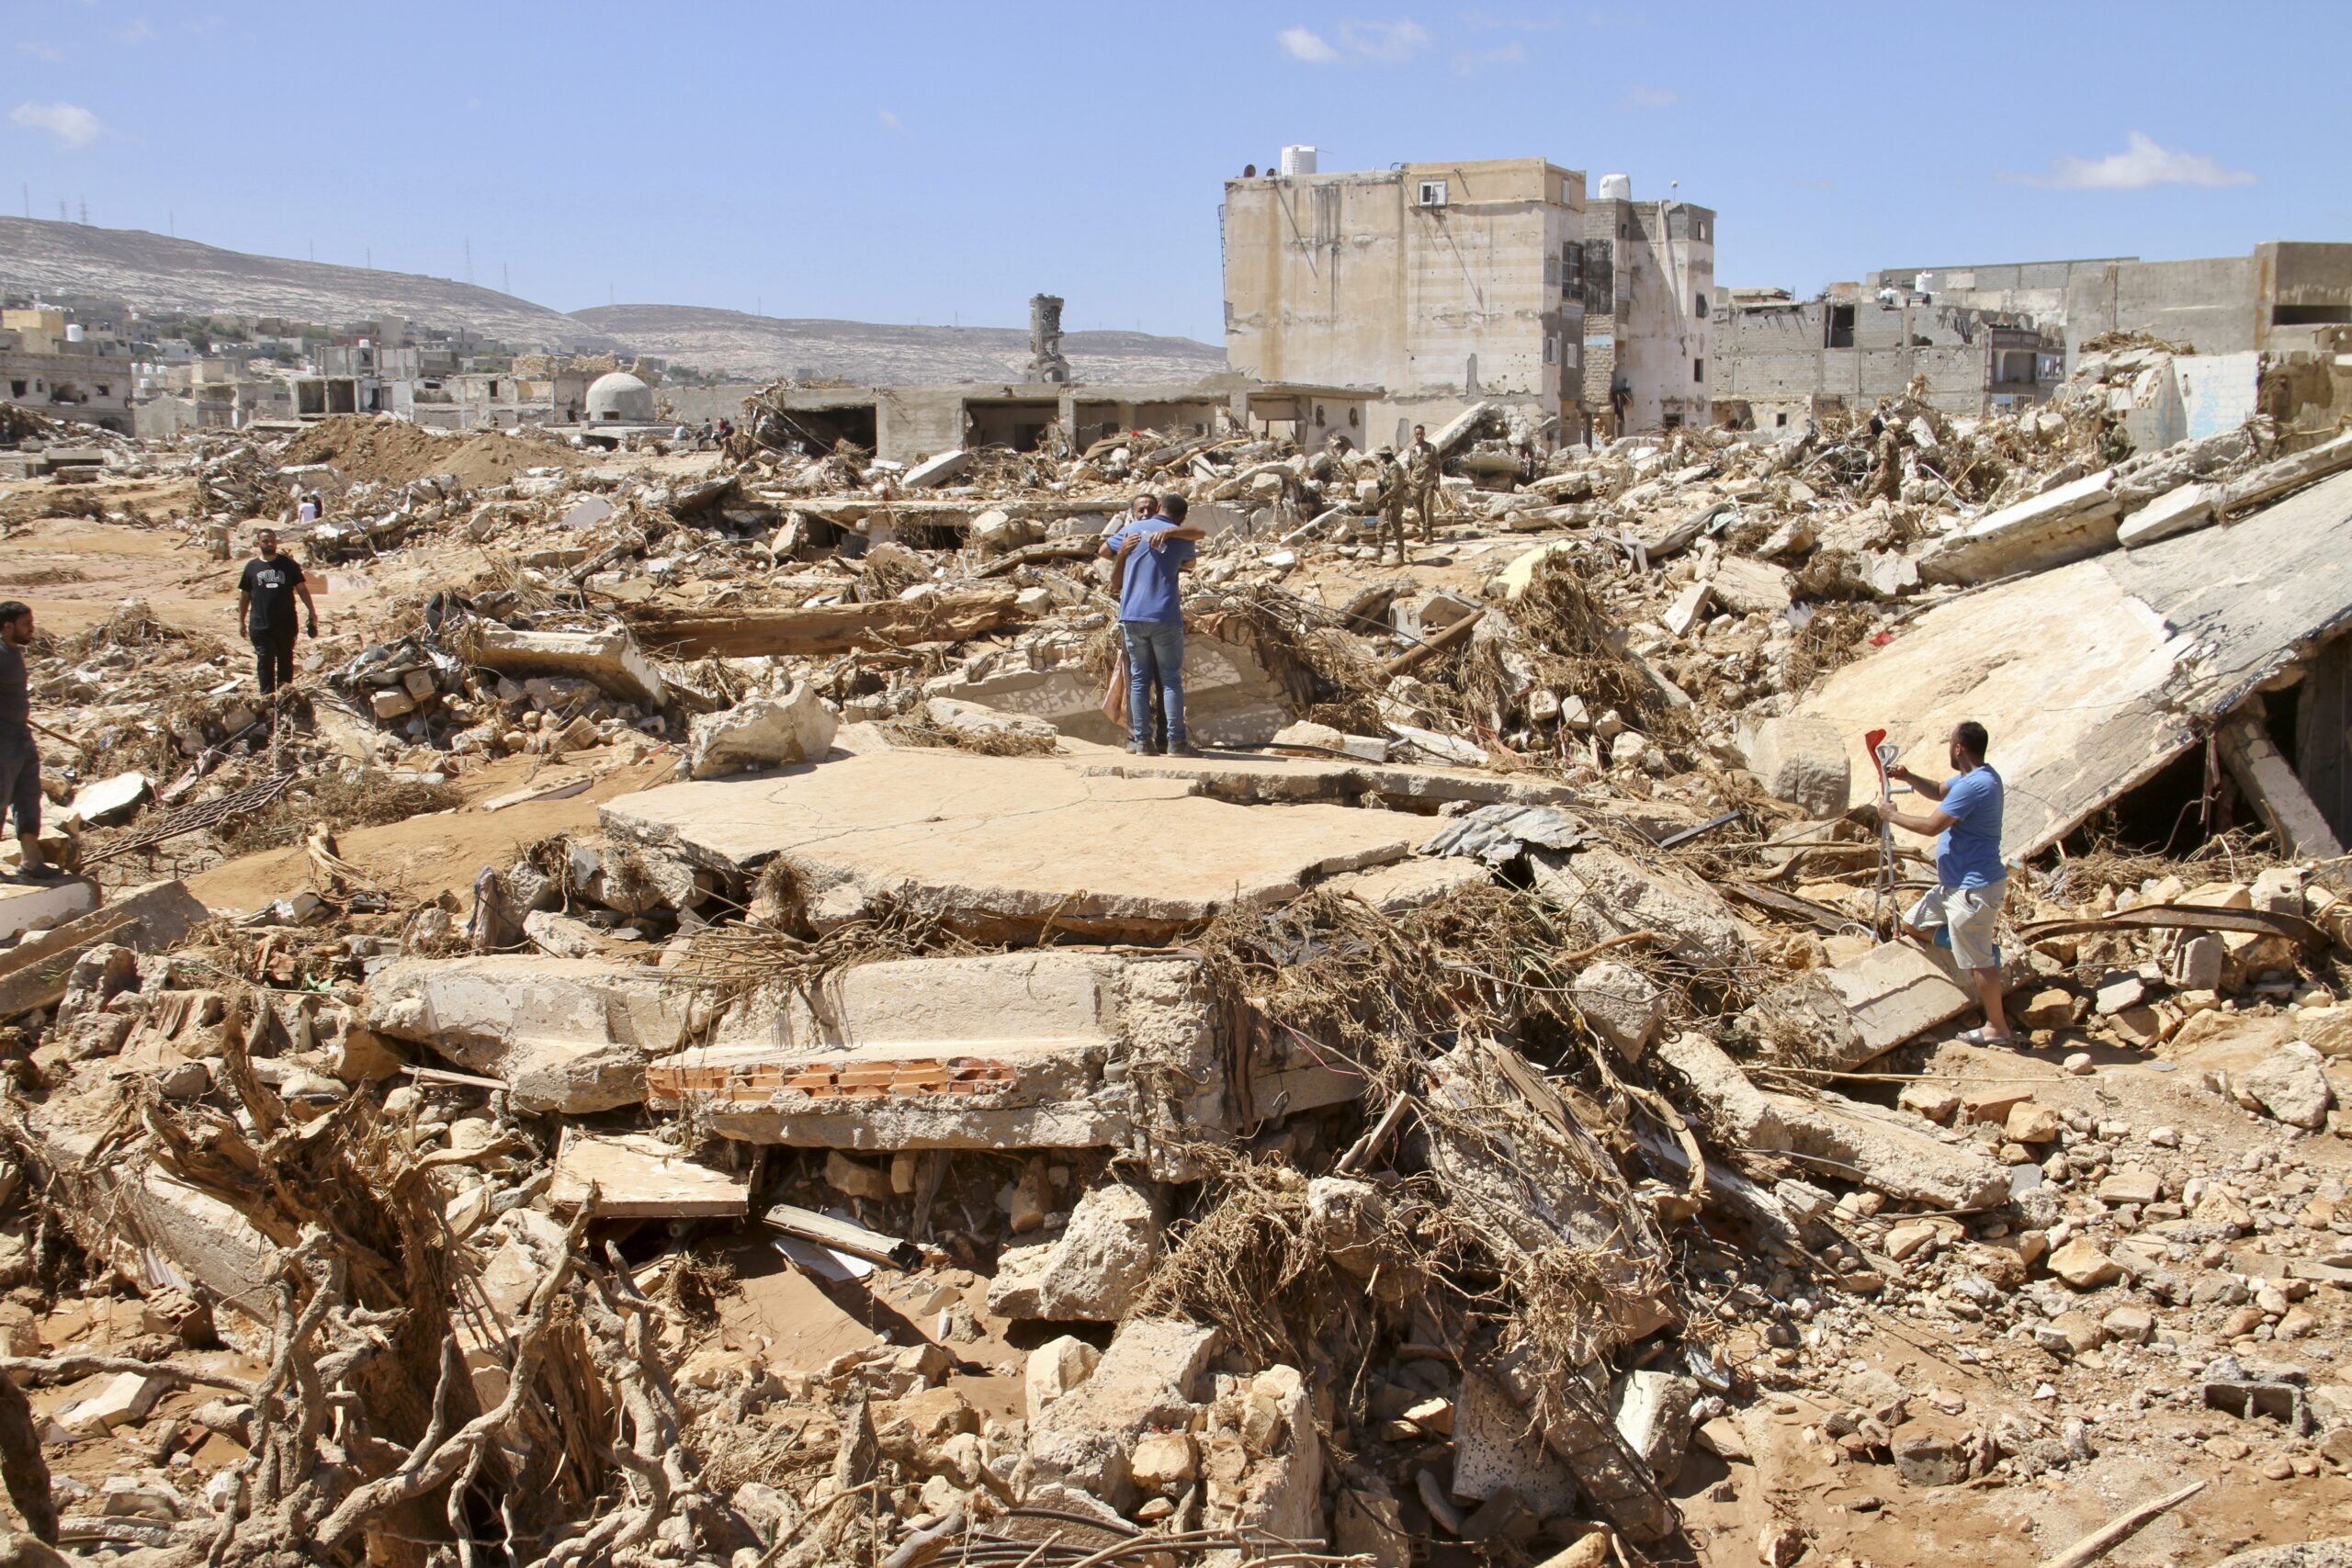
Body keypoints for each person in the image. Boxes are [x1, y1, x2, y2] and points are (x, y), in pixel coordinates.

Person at [1879, 721, 2013, 1043]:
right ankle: (1974, 946)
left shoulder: (1977, 785)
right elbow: (1940, 790)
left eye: (1950, 744)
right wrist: (1908, 777)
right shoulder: (1974, 778)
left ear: (1959, 749)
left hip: (1973, 889)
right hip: (1954, 887)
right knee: (1913, 924)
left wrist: (1891, 815)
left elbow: (1930, 827)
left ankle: (1997, 1028)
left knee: (1979, 963)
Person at [1097, 492, 1204, 756]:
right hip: (1164, 615)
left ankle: (1141, 742)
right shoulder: (1180, 536)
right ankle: (1176, 743)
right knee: (1170, 681)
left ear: (1157, 507)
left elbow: (1103, 555)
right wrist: (1172, 534)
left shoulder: (1130, 531)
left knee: (1138, 681)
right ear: (1181, 517)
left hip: (1132, 615)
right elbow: (1191, 559)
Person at [0, 604, 62, 881]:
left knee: (27, 795)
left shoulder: (13, 653)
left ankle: (31, 861)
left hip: (19, 735)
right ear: (8, 626)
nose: (32, 628)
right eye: (26, 623)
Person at [237, 528, 318, 699]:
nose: (270, 543)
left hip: (286, 623)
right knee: (265, 660)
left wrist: (312, 612)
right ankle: (267, 698)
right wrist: (241, 621)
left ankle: (284, 696)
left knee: (285, 659)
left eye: (273, 540)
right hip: (260, 624)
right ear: (258, 542)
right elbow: (244, 596)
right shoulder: (251, 567)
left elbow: (302, 589)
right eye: (266, 540)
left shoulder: (288, 564)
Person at [1371, 447, 1410, 565]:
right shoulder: (1386, 467)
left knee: (1396, 528)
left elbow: (1397, 485)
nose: (1381, 459)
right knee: (1381, 526)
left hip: (1394, 501)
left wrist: (1385, 497)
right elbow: (1383, 482)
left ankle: (1400, 554)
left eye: (1382, 456)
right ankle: (1379, 551)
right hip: (1386, 502)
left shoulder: (1395, 466)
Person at [1404, 423, 1441, 543]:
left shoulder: (1431, 448)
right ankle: (1423, 532)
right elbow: (1410, 466)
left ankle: (1429, 533)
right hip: (1415, 483)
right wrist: (1408, 478)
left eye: (1421, 434)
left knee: (1428, 507)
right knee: (1419, 508)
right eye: (1417, 434)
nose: (1419, 436)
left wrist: (1437, 480)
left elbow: (1437, 465)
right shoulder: (1412, 450)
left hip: (1428, 482)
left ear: (1424, 434)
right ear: (1414, 435)